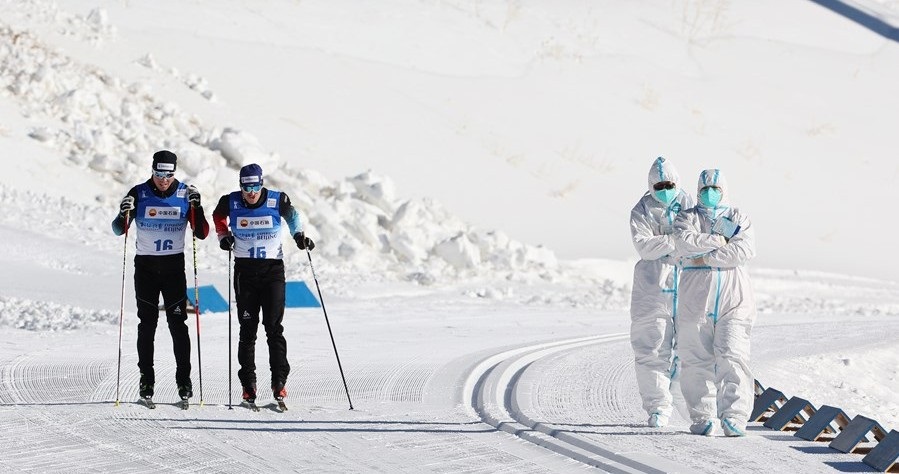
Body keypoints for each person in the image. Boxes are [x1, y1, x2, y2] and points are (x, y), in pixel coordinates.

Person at [212, 163, 315, 405]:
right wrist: (223, 236)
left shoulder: (276, 200)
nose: (251, 192)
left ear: (262, 183)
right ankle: (248, 385)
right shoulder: (231, 201)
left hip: (272, 272)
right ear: (241, 185)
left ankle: (279, 383)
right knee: (247, 331)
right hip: (245, 272)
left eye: (255, 186)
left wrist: (299, 236)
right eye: (246, 187)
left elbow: (293, 216)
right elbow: (217, 216)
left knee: (273, 328)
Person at [112, 150, 209, 403]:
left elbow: (202, 233)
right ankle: (146, 380)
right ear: (152, 170)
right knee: (147, 325)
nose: (163, 180)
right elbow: (116, 229)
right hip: (145, 268)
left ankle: (184, 380)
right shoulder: (138, 192)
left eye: (168, 175)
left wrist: (197, 208)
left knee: (178, 325)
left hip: (173, 269)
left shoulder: (185, 194)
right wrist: (123, 214)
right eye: (159, 174)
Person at [673, 168, 757, 437]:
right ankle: (702, 417)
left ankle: (735, 417)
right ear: (698, 191)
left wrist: (705, 257)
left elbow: (744, 250)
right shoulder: (687, 217)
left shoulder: (736, 217)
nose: (710, 194)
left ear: (724, 190)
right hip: (695, 299)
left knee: (734, 356)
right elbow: (684, 243)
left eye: (715, 189)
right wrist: (720, 240)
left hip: (734, 298)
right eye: (705, 189)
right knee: (695, 357)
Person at [628, 156, 694, 428]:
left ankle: (691, 406)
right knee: (651, 349)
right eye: (660, 185)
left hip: (690, 285)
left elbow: (697, 241)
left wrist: (665, 242)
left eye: (670, 183)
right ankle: (657, 407)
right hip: (653, 288)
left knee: (693, 350)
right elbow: (644, 248)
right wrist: (677, 241)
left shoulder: (691, 205)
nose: (665, 188)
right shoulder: (641, 210)